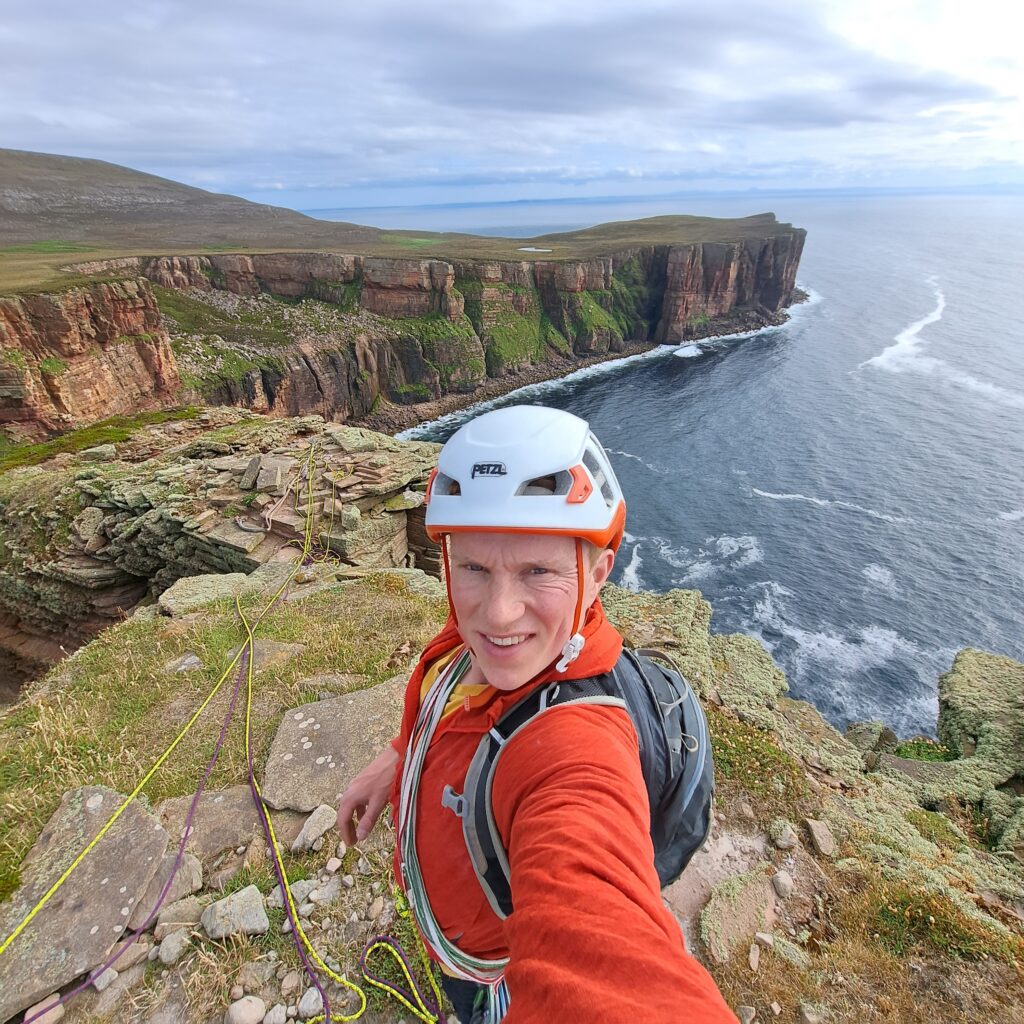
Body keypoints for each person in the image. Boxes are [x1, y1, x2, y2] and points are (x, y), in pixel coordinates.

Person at [337, 405, 735, 1024]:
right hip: (453, 929)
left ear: (597, 574)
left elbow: (606, 964)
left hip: (489, 971)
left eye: (537, 571)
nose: (498, 613)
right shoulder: (487, 645)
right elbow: (451, 701)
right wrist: (396, 760)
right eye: (474, 567)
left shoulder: (576, 746)